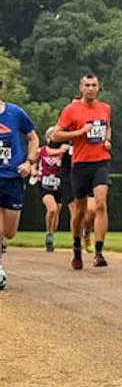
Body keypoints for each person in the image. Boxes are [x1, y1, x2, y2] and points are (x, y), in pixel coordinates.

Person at [50, 74, 112, 270]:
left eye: (94, 85)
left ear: (99, 87)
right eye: (87, 85)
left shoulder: (105, 108)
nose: (91, 88)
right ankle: (77, 249)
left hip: (101, 161)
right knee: (80, 211)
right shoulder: (71, 110)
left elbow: (108, 127)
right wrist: (79, 132)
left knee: (101, 205)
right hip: (80, 164)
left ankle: (99, 252)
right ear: (81, 88)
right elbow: (56, 134)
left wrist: (108, 140)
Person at [0, 79, 41, 290]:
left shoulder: (15, 113)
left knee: (9, 232)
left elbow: (34, 139)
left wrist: (29, 162)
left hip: (13, 178)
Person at [35, 141, 69, 252]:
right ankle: (49, 234)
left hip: (58, 185)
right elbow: (31, 162)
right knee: (52, 209)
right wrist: (34, 170)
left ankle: (52, 235)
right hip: (45, 185)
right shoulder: (42, 151)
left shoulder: (64, 152)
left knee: (57, 212)